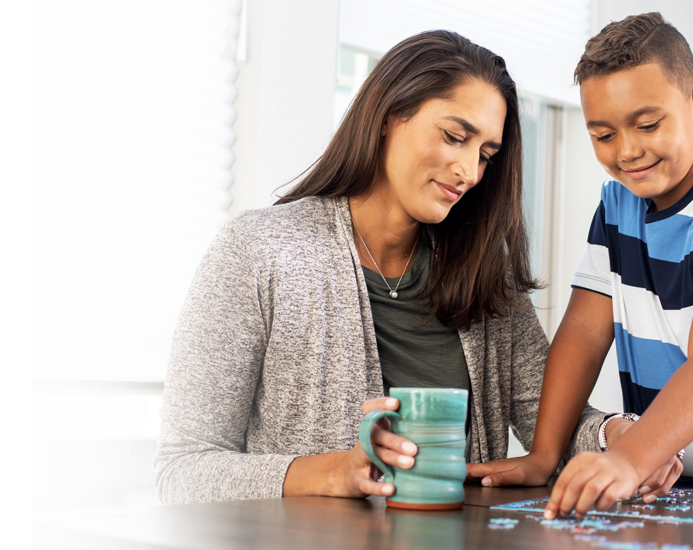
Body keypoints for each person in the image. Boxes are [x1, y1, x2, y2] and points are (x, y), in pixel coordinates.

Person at [153, 30, 621, 504]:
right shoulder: (260, 251)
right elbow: (183, 469)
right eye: (454, 136)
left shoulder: (484, 272)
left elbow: (551, 425)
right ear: (387, 113)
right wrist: (331, 473)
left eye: (484, 155)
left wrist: (616, 435)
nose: (469, 172)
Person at [469, 12, 693, 517]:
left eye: (647, 125)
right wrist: (544, 454)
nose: (626, 151)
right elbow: (583, 329)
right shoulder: (618, 208)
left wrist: (627, 459)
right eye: (603, 135)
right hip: (687, 481)